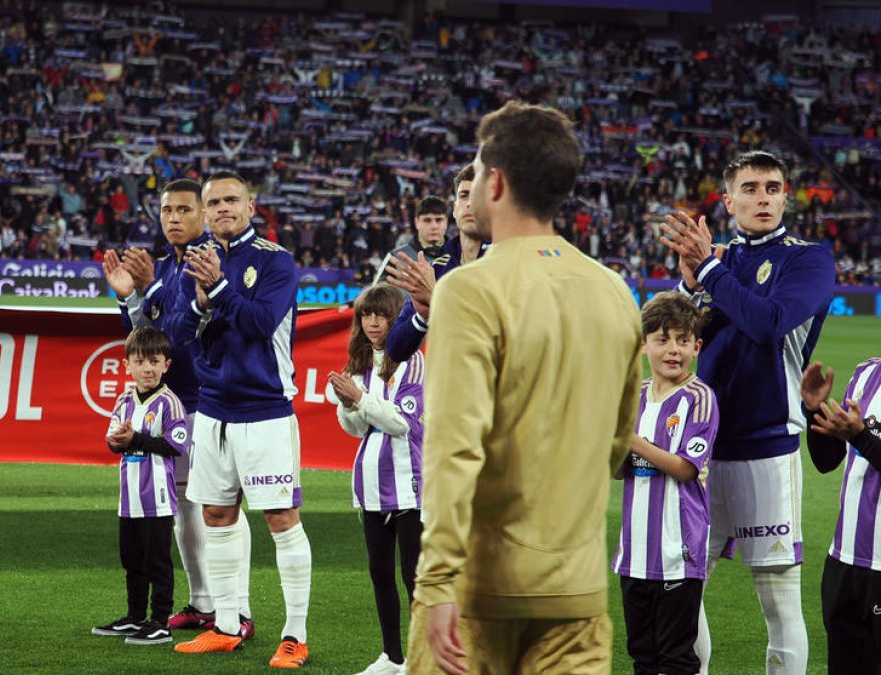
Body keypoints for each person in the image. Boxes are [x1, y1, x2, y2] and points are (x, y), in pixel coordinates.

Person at [409, 100, 643, 675]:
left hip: (479, 595)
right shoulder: (614, 291)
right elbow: (617, 443)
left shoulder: (468, 290)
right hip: (579, 593)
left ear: (497, 182)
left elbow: (453, 448)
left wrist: (437, 581)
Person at [661, 150, 835, 675]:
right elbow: (675, 342)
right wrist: (690, 283)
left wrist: (711, 271)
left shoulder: (809, 259)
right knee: (683, 590)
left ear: (786, 196)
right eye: (752, 187)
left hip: (767, 446)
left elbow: (769, 322)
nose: (764, 197)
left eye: (774, 187)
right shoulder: (720, 262)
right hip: (702, 451)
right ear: (728, 199)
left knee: (778, 600)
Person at [168, 171, 311, 669]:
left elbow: (257, 323)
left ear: (251, 206)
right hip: (211, 409)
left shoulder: (276, 261)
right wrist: (201, 302)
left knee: (280, 518)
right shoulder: (196, 261)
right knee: (217, 516)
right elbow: (174, 330)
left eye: (232, 199)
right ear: (205, 212)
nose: (223, 208)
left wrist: (221, 287)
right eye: (214, 202)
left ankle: (295, 635)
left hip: (266, 409)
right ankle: (227, 625)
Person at [102, 178, 255, 638]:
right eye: (167, 210)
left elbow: (185, 327)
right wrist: (132, 297)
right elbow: (151, 336)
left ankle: (238, 609)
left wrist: (147, 291)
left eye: (184, 210)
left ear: (203, 215)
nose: (173, 218)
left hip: (212, 399)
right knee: (184, 509)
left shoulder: (209, 261)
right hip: (176, 403)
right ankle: (203, 601)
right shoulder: (167, 264)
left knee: (219, 506)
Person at [611, 292, 719, 675]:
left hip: (678, 552)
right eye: (662, 340)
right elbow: (618, 470)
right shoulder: (634, 397)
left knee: (676, 658)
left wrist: (634, 441)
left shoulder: (699, 398)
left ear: (697, 346)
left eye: (683, 341)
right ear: (644, 346)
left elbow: (687, 468)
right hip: (635, 551)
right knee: (642, 654)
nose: (673, 350)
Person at [329, 284, 425, 675]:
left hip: (410, 484)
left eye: (380, 315)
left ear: (396, 318)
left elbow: (403, 423)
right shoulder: (360, 361)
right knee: (380, 574)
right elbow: (355, 429)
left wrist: (360, 399)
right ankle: (392, 657)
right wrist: (348, 403)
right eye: (366, 315)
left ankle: (424, 659)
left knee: (414, 578)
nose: (372, 322)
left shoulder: (413, 361)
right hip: (370, 484)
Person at [91, 327, 190, 646]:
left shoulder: (170, 402)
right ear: (127, 366)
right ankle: (135, 617)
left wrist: (137, 439)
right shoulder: (123, 401)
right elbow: (112, 442)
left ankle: (160, 621)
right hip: (129, 497)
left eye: (154, 361)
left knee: (157, 560)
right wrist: (120, 441)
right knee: (131, 559)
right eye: (140, 361)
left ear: (167, 365)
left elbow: (178, 444)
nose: (147, 368)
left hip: (158, 496)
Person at [799, 359, 881, 674]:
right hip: (844, 561)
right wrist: (815, 411)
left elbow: (860, 438)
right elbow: (827, 460)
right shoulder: (866, 373)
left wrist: (861, 436)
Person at [385, 164, 487, 363]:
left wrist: (436, 300)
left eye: (478, 196)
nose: (469, 203)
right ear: (455, 209)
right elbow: (395, 349)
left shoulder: (508, 261)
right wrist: (422, 317)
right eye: (464, 195)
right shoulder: (437, 267)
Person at [373, 196, 449, 285]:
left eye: (439, 220)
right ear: (417, 222)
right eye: (427, 220)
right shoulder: (395, 258)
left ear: (446, 222)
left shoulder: (462, 256)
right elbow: (376, 297)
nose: (434, 226)